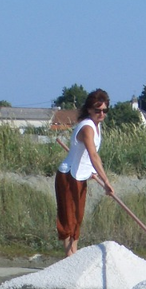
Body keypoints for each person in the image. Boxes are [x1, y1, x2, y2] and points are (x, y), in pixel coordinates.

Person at [55, 89, 115, 256]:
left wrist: (92, 172)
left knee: (78, 218)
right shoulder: (87, 127)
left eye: (104, 110)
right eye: (97, 110)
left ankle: (74, 256)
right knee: (68, 219)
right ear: (89, 109)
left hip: (81, 177)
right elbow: (93, 154)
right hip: (68, 176)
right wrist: (106, 181)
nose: (101, 114)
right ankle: (69, 258)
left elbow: (90, 158)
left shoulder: (97, 126)